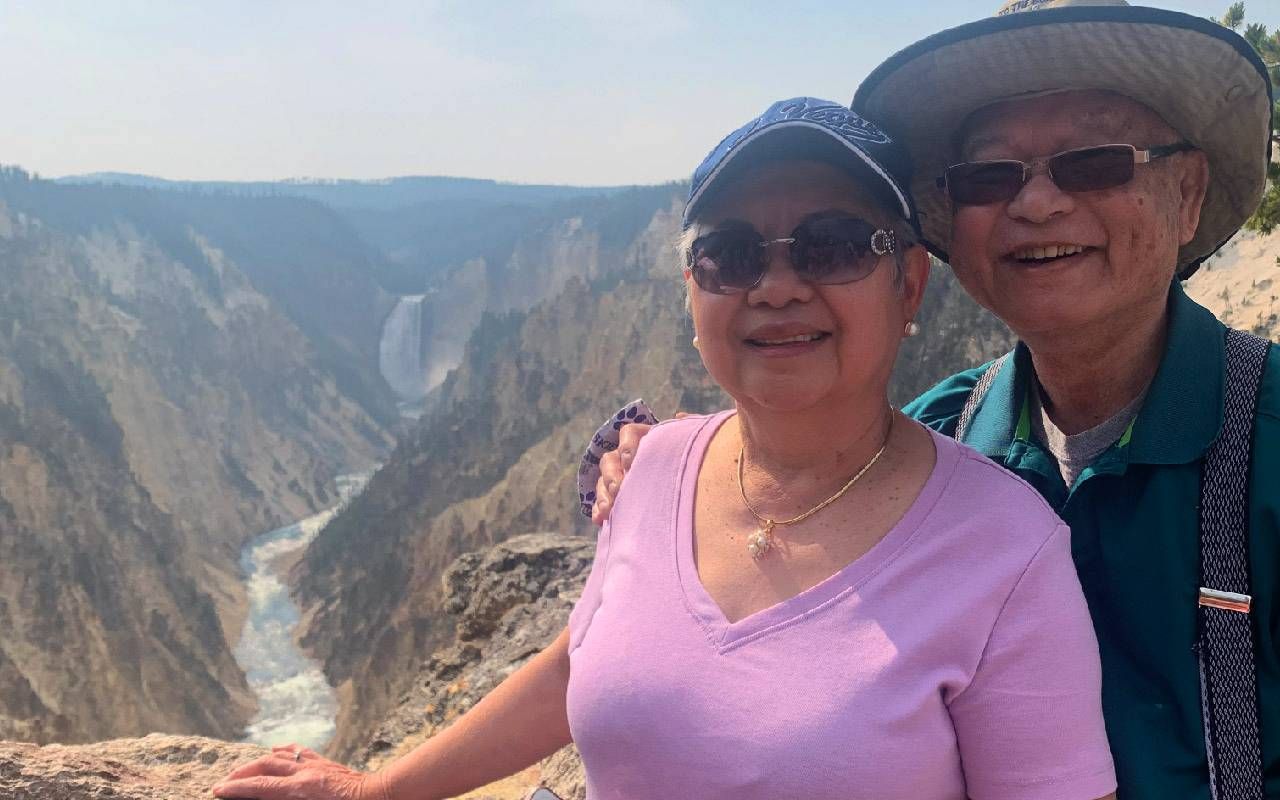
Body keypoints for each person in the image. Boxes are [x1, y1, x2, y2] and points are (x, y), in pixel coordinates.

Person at [214, 98, 1117, 800]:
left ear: (908, 280)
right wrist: (377, 788)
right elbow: (581, 661)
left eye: (832, 247)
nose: (776, 286)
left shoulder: (1006, 554)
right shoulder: (650, 467)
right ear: (693, 295)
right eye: (730, 256)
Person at [588, 2, 1277, 798]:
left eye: (1094, 162)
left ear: (1188, 193)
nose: (1038, 204)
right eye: (991, 175)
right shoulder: (938, 434)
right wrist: (655, 462)